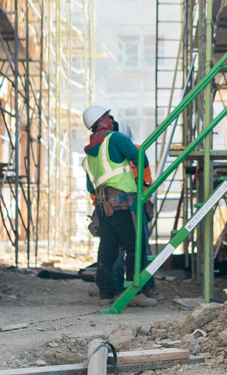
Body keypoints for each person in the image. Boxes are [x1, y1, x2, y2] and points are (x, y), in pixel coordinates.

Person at [81, 104, 158, 307]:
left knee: (108, 249)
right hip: (122, 204)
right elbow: (140, 158)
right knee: (135, 246)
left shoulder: (88, 155)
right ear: (102, 121)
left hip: (102, 207)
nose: (112, 118)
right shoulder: (116, 139)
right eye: (108, 116)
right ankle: (134, 291)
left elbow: (91, 185)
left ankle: (106, 293)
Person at [105, 120, 159, 300]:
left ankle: (129, 288)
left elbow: (145, 182)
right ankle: (136, 288)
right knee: (137, 247)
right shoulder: (134, 152)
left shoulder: (131, 153)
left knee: (129, 248)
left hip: (129, 204)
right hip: (125, 205)